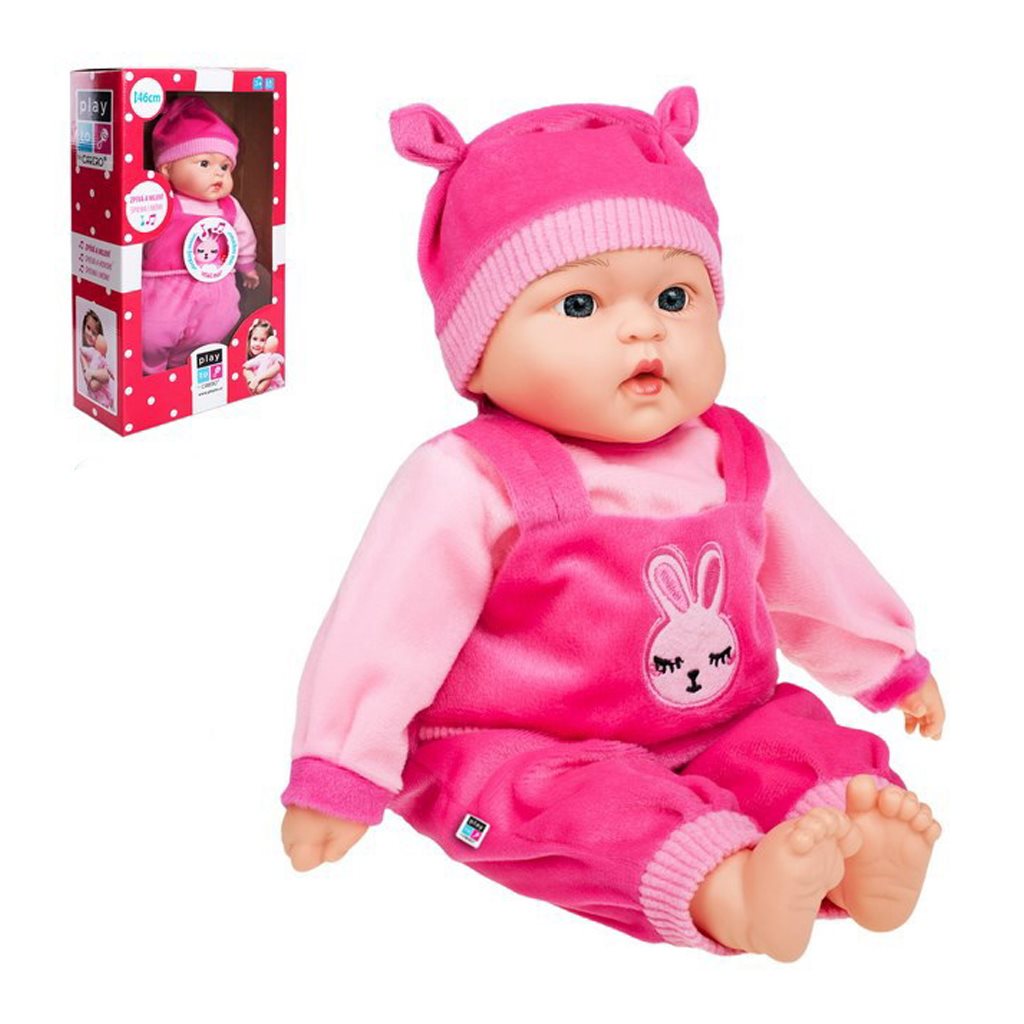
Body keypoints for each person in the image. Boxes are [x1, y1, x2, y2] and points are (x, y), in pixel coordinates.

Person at [280, 87, 944, 962]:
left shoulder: (735, 456)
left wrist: (888, 662)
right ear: (479, 351)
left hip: (723, 718)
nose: (643, 331)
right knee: (573, 810)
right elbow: (386, 626)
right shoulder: (473, 477)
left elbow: (817, 577)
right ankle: (728, 889)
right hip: (521, 743)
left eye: (674, 296)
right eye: (580, 306)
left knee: (796, 745)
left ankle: (850, 845)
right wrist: (339, 771)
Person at [141, 97, 259, 376]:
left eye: (225, 167)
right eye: (204, 163)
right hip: (166, 287)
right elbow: (138, 236)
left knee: (217, 327)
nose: (218, 173)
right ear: (167, 169)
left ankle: (186, 372)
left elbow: (244, 236)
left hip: (217, 287)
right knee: (151, 335)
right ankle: (151, 374)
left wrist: (247, 266)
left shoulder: (229, 206)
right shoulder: (162, 203)